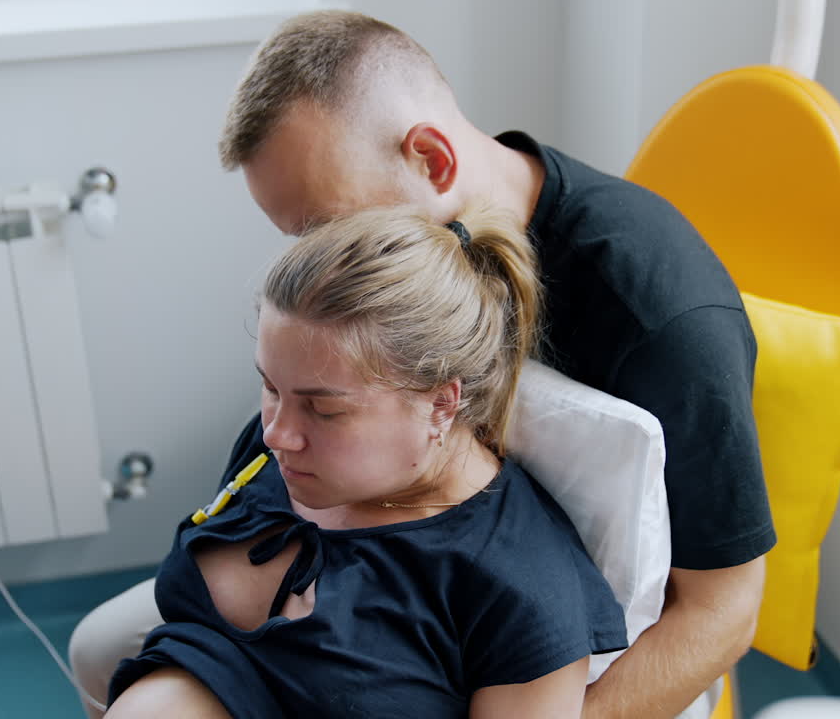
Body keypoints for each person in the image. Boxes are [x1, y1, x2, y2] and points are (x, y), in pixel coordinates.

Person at [71, 10, 775, 718]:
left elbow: (724, 612)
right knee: (100, 649)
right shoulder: (409, 228)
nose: (326, 259)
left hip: (570, 650)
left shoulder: (663, 321)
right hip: (387, 543)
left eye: (326, 228)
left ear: (432, 160)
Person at [104, 205, 628, 718]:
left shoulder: (521, 592)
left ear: (440, 404)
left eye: (324, 410)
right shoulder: (282, 453)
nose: (275, 434)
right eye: (270, 387)